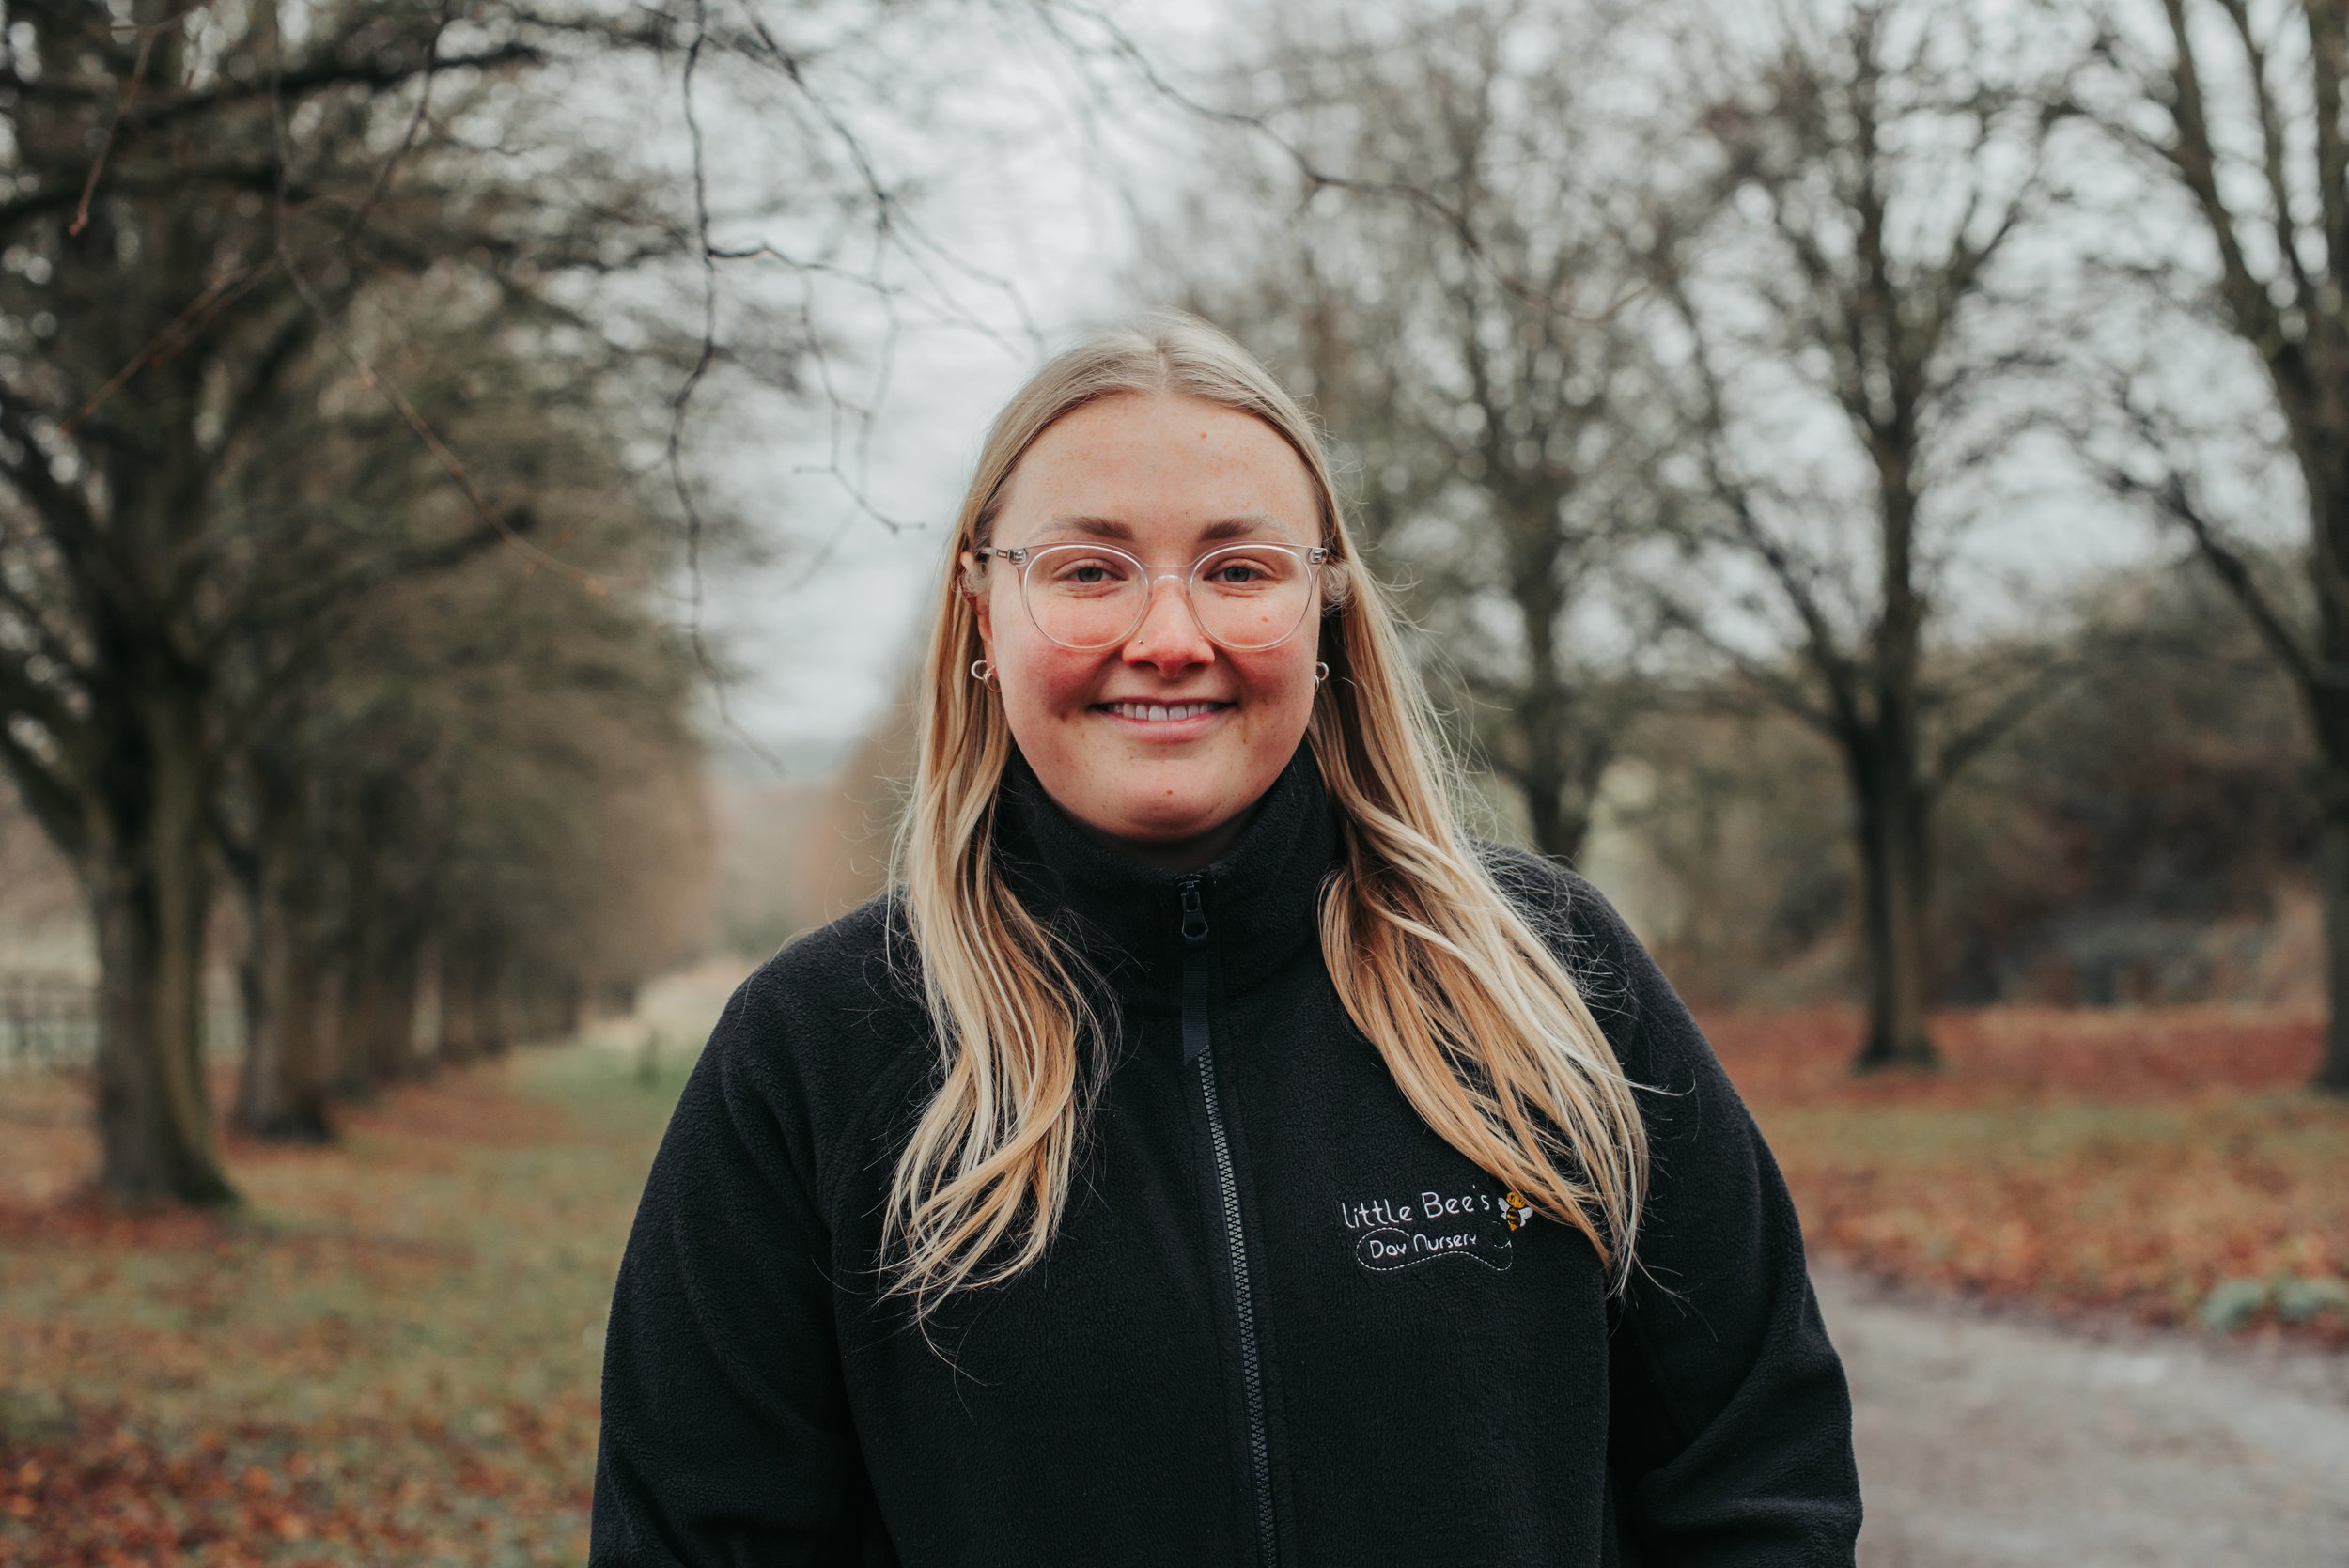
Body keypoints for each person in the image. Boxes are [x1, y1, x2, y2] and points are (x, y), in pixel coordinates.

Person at [590, 313, 1862, 1566]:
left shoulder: (1550, 980)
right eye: (1090, 569)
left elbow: (1761, 1473)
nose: (1169, 636)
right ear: (983, 614)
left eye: (1238, 568)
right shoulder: (817, 1055)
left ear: (1327, 616)